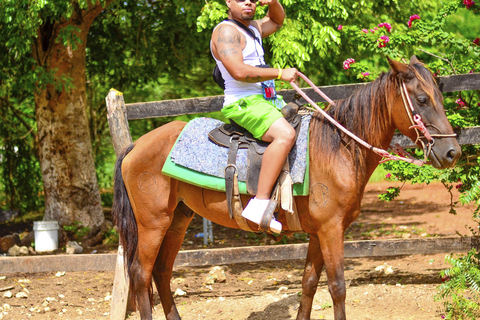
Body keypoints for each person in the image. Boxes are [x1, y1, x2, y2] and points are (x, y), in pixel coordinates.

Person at [210, 0, 299, 233]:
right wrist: (280, 73)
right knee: (285, 135)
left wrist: (274, 2)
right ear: (228, 2)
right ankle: (259, 204)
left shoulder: (253, 29)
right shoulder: (226, 31)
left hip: (266, 100)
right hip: (244, 102)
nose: (248, 1)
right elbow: (238, 72)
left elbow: (277, 21)